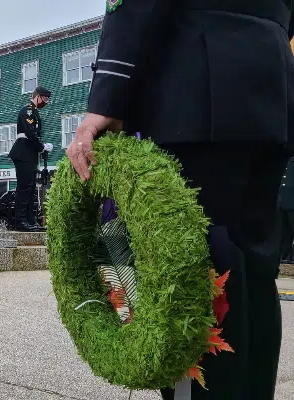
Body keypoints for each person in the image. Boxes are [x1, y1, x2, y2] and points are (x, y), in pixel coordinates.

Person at [65, 1, 293, 398]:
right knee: (252, 271)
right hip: (269, 87)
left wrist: (106, 98)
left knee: (195, 274)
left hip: (192, 86)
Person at [8, 86, 54, 232]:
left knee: (31, 188)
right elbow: (30, 133)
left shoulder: (35, 112)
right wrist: (41, 146)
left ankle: (31, 220)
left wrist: (41, 147)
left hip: (30, 154)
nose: (45, 102)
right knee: (24, 187)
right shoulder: (27, 110)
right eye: (45, 99)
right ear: (37, 96)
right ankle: (21, 221)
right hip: (23, 152)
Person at [280, 158, 294, 264]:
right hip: (281, 202)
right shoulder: (285, 159)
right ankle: (285, 256)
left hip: (292, 204)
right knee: (284, 233)